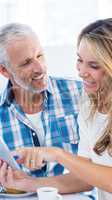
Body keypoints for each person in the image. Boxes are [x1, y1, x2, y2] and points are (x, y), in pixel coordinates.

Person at [2, 17, 112, 199]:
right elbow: (88, 174)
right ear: (4, 71)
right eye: (80, 60)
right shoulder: (90, 107)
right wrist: (27, 183)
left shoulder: (83, 96)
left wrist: (57, 154)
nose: (81, 72)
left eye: (93, 65)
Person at [0, 23, 86, 189]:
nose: (40, 68)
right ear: (4, 71)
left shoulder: (80, 93)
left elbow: (100, 170)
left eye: (40, 56)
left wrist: (34, 184)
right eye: (26, 63)